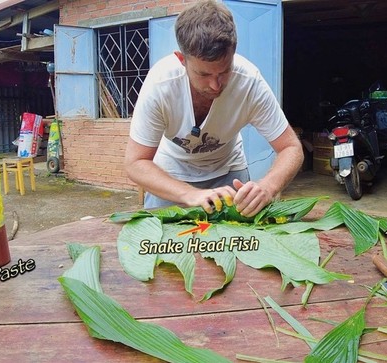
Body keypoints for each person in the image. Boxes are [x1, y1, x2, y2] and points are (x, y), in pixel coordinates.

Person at [125, 0, 303, 217]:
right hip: (170, 177)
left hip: (229, 172)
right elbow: (136, 162)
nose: (215, 85)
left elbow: (291, 148)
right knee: (163, 246)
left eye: (224, 71)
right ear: (182, 59)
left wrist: (268, 186)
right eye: (204, 74)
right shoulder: (161, 85)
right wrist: (189, 194)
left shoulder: (249, 83)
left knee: (237, 245)